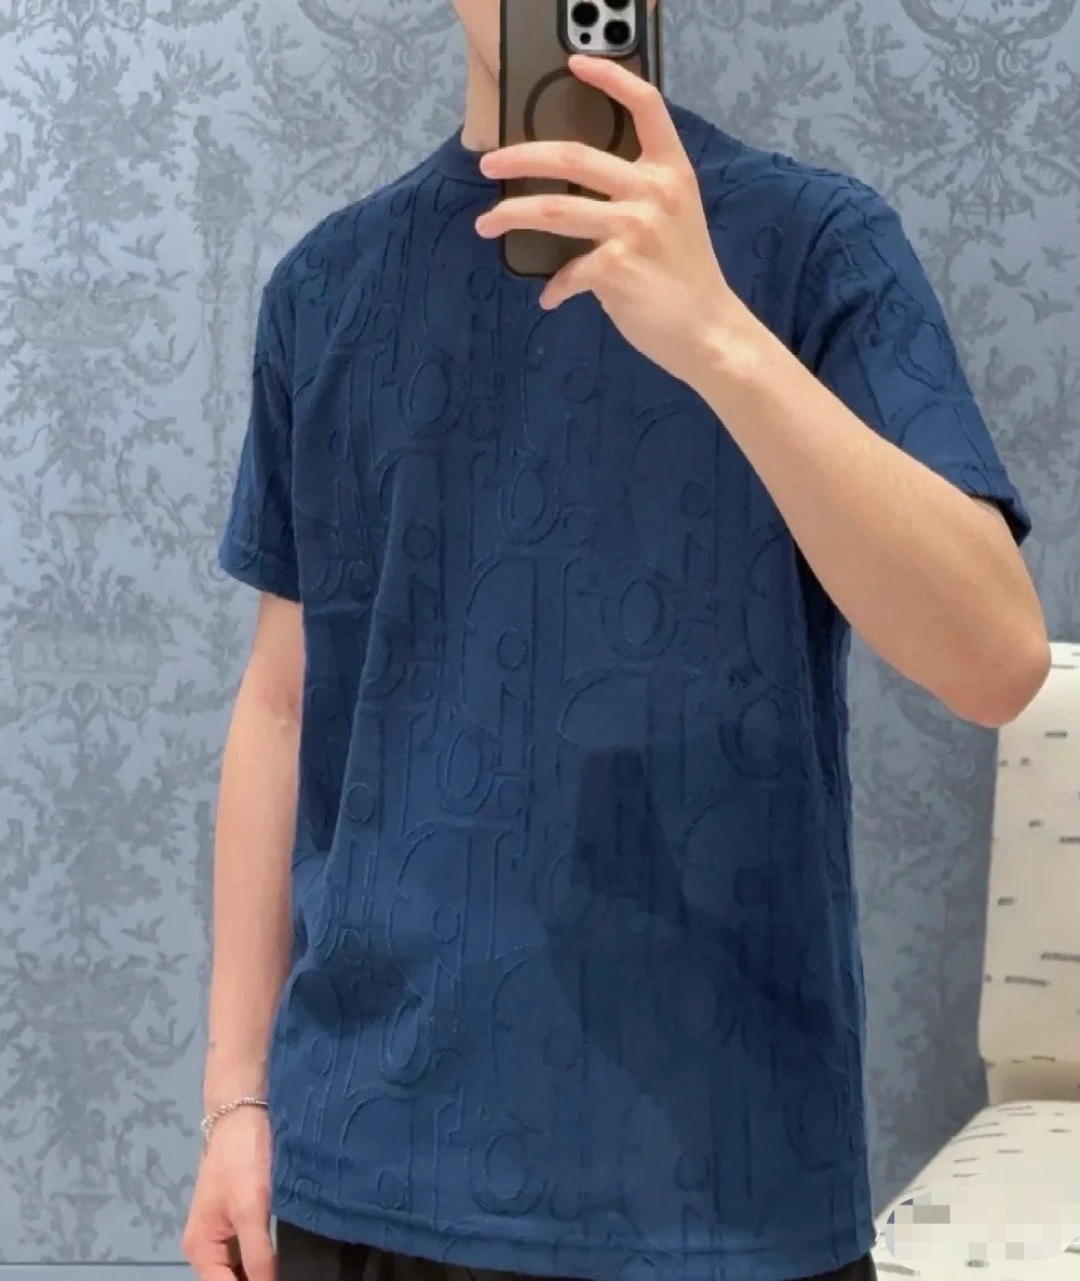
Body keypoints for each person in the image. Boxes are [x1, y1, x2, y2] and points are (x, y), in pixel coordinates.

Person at [182, 2, 1050, 1280]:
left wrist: (717, 338)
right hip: (363, 1166)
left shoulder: (815, 246)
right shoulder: (326, 288)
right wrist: (235, 1098)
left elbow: (997, 661)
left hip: (720, 1183)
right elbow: (283, 705)